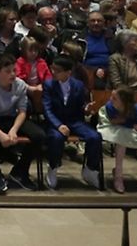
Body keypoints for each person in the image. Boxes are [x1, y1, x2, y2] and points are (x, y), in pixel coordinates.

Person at [0, 55, 44, 195]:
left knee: (39, 135)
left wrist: (14, 130)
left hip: (12, 118)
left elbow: (22, 112)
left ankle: (20, 171)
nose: (13, 74)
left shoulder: (20, 84)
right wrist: (0, 134)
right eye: (8, 71)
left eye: (14, 70)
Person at [42, 55, 102, 190]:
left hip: (74, 120)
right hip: (56, 121)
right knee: (56, 138)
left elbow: (81, 106)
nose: (53, 72)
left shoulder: (78, 85)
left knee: (95, 137)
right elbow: (47, 109)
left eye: (57, 70)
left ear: (68, 72)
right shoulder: (48, 85)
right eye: (53, 69)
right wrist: (59, 125)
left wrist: (87, 109)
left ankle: (90, 169)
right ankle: (53, 167)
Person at [97, 87, 137, 193]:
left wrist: (135, 126)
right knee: (121, 139)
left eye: (115, 98)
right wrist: (130, 124)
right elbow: (113, 121)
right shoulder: (110, 106)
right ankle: (118, 174)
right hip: (114, 126)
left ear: (124, 101)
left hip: (133, 127)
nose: (111, 99)